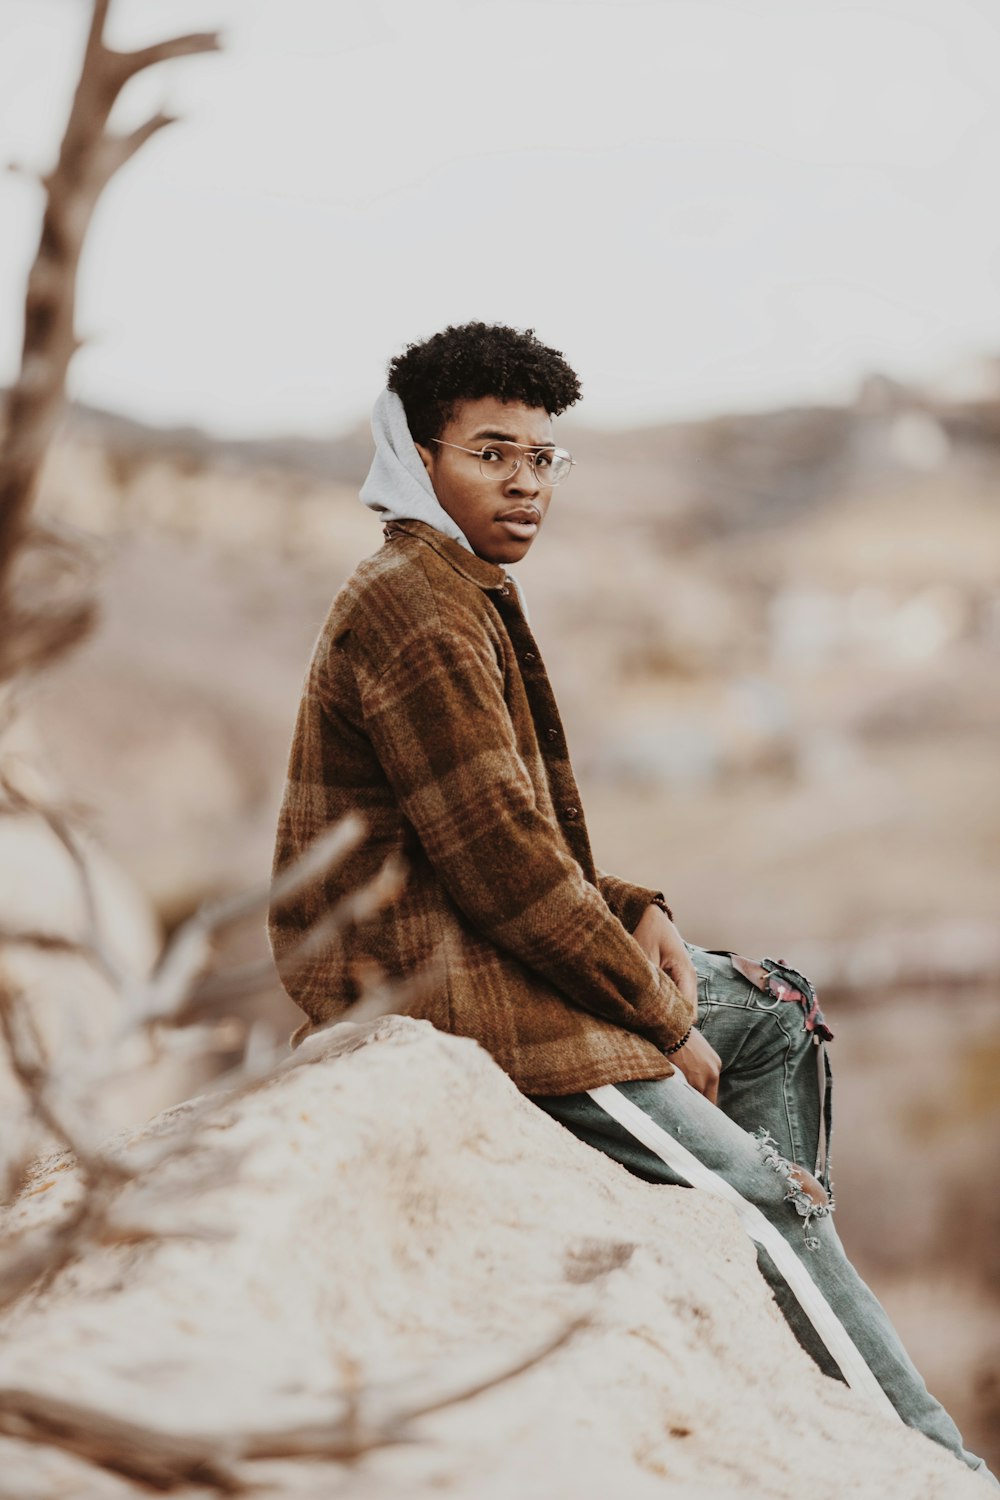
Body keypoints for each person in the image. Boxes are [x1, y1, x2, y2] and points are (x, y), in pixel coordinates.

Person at [267, 320, 995, 1484]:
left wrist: (635, 905)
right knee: (767, 1192)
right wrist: (655, 1023)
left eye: (542, 458)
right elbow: (502, 864)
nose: (523, 483)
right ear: (417, 456)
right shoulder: (414, 602)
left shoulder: (462, 584)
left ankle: (774, 1315)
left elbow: (491, 829)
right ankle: (927, 1454)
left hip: (475, 932)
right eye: (491, 453)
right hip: (437, 977)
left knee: (772, 1011)